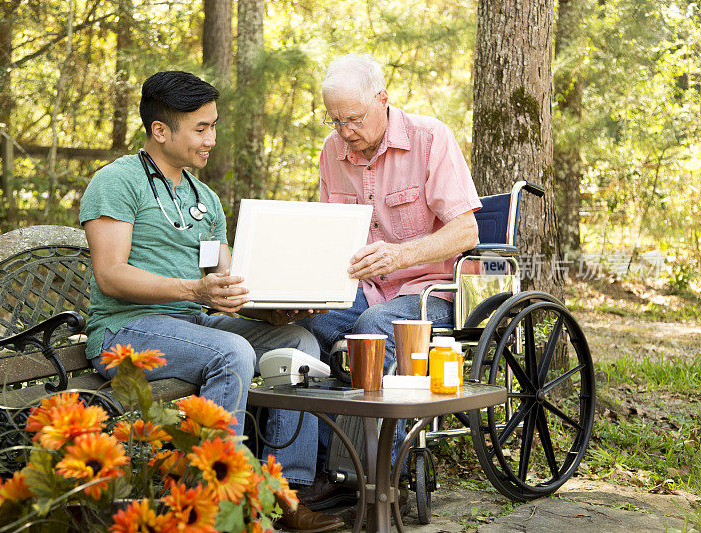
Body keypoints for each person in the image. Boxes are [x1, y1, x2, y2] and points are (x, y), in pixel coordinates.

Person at [79, 70, 343, 532]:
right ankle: (213, 505)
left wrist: (273, 304)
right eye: (201, 128)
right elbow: (111, 275)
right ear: (160, 130)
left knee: (298, 341)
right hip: (125, 329)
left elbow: (224, 280)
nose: (211, 139)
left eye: (214, 125)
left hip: (192, 325)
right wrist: (193, 291)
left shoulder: (204, 197)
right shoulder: (117, 181)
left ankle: (284, 493)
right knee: (233, 351)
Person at [299, 54, 481, 508]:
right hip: (363, 290)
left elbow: (466, 231)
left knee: (376, 328)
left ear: (383, 98)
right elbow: (327, 233)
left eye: (353, 119)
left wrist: (400, 254)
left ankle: (385, 475)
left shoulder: (429, 137)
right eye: (335, 120)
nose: (345, 132)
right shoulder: (331, 150)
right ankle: (322, 471)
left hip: (433, 290)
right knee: (304, 331)